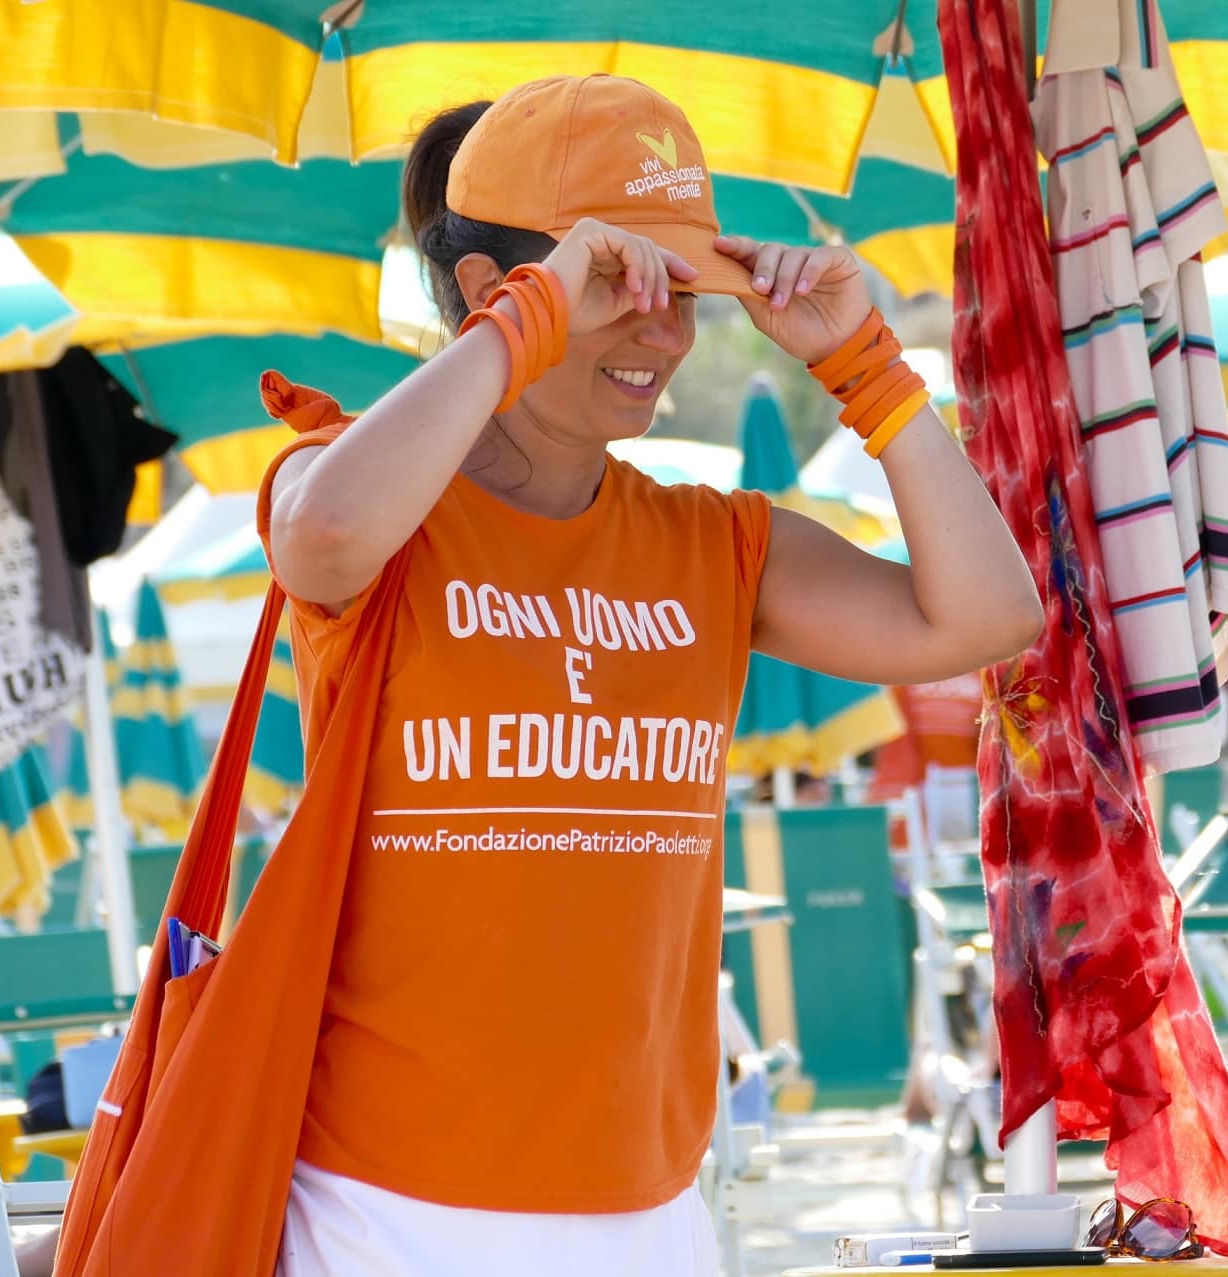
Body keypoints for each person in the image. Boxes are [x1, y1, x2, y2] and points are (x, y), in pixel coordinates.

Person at [262, 75, 1040, 1275]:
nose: (666, 334)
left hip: (650, 1199)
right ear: (493, 293)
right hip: (383, 1200)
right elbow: (318, 542)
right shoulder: (354, 490)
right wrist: (520, 326)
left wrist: (869, 370)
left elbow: (986, 616)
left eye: (682, 293)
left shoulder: (715, 543)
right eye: (618, 287)